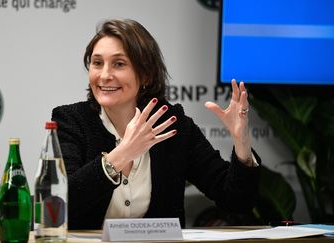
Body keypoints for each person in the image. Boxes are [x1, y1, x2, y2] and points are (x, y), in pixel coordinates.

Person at [51, 18, 261, 230]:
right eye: (97, 63)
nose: (104, 75)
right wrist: (123, 153)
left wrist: (241, 142)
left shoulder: (173, 124)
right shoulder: (71, 120)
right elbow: (60, 204)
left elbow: (236, 201)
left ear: (146, 75)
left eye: (119, 64)